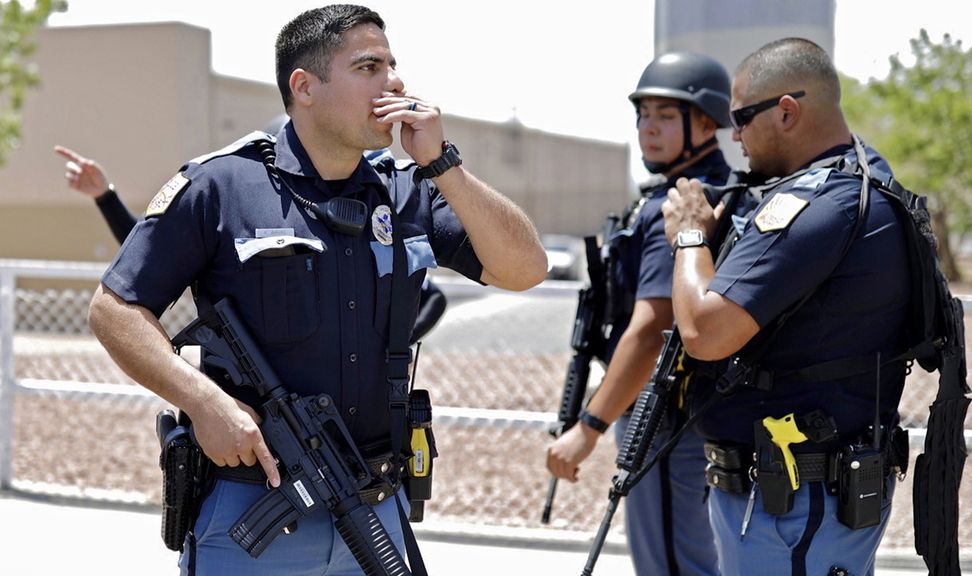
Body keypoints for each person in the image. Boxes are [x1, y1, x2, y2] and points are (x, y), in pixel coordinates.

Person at [87, 5, 547, 575]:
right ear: (304, 87)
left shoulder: (405, 189)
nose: (395, 82)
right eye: (369, 67)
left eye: (393, 65)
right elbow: (115, 309)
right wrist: (202, 401)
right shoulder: (222, 186)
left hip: (375, 508)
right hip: (251, 510)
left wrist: (442, 164)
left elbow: (525, 269)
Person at [662, 38, 911, 576]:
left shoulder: (818, 205)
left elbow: (705, 331)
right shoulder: (865, 179)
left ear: (787, 111)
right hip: (801, 501)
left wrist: (688, 237)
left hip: (794, 510)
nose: (734, 135)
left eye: (741, 118)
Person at [546, 51, 751, 576]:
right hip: (690, 413)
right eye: (643, 115)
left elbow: (651, 330)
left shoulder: (683, 203)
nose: (648, 129)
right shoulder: (696, 194)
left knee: (673, 565)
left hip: (665, 415)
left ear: (706, 122)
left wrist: (589, 426)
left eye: (665, 115)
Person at [56, 144, 449, 340]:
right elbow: (147, 258)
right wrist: (105, 196)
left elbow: (435, 297)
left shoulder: (374, 217)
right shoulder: (235, 199)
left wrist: (390, 344)